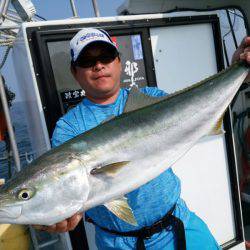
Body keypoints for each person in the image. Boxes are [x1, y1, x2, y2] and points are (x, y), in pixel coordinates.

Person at [34, 28, 250, 249]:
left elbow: (200, 112)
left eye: (106, 57)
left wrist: (239, 71)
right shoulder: (69, 128)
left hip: (178, 223)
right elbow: (71, 192)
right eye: (88, 61)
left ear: (118, 62)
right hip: (118, 242)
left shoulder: (152, 99)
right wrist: (66, 214)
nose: (99, 65)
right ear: (74, 71)